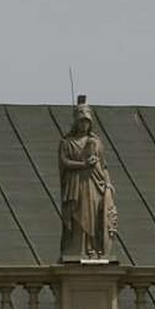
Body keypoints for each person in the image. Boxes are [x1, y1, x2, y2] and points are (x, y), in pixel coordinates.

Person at [59, 95, 117, 261]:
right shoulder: (67, 142)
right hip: (76, 185)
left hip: (94, 184)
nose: (84, 124)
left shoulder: (96, 141)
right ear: (76, 123)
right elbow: (64, 162)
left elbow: (103, 166)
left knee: (94, 217)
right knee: (78, 216)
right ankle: (78, 248)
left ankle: (92, 247)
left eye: (87, 121)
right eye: (81, 121)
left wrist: (108, 184)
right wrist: (83, 164)